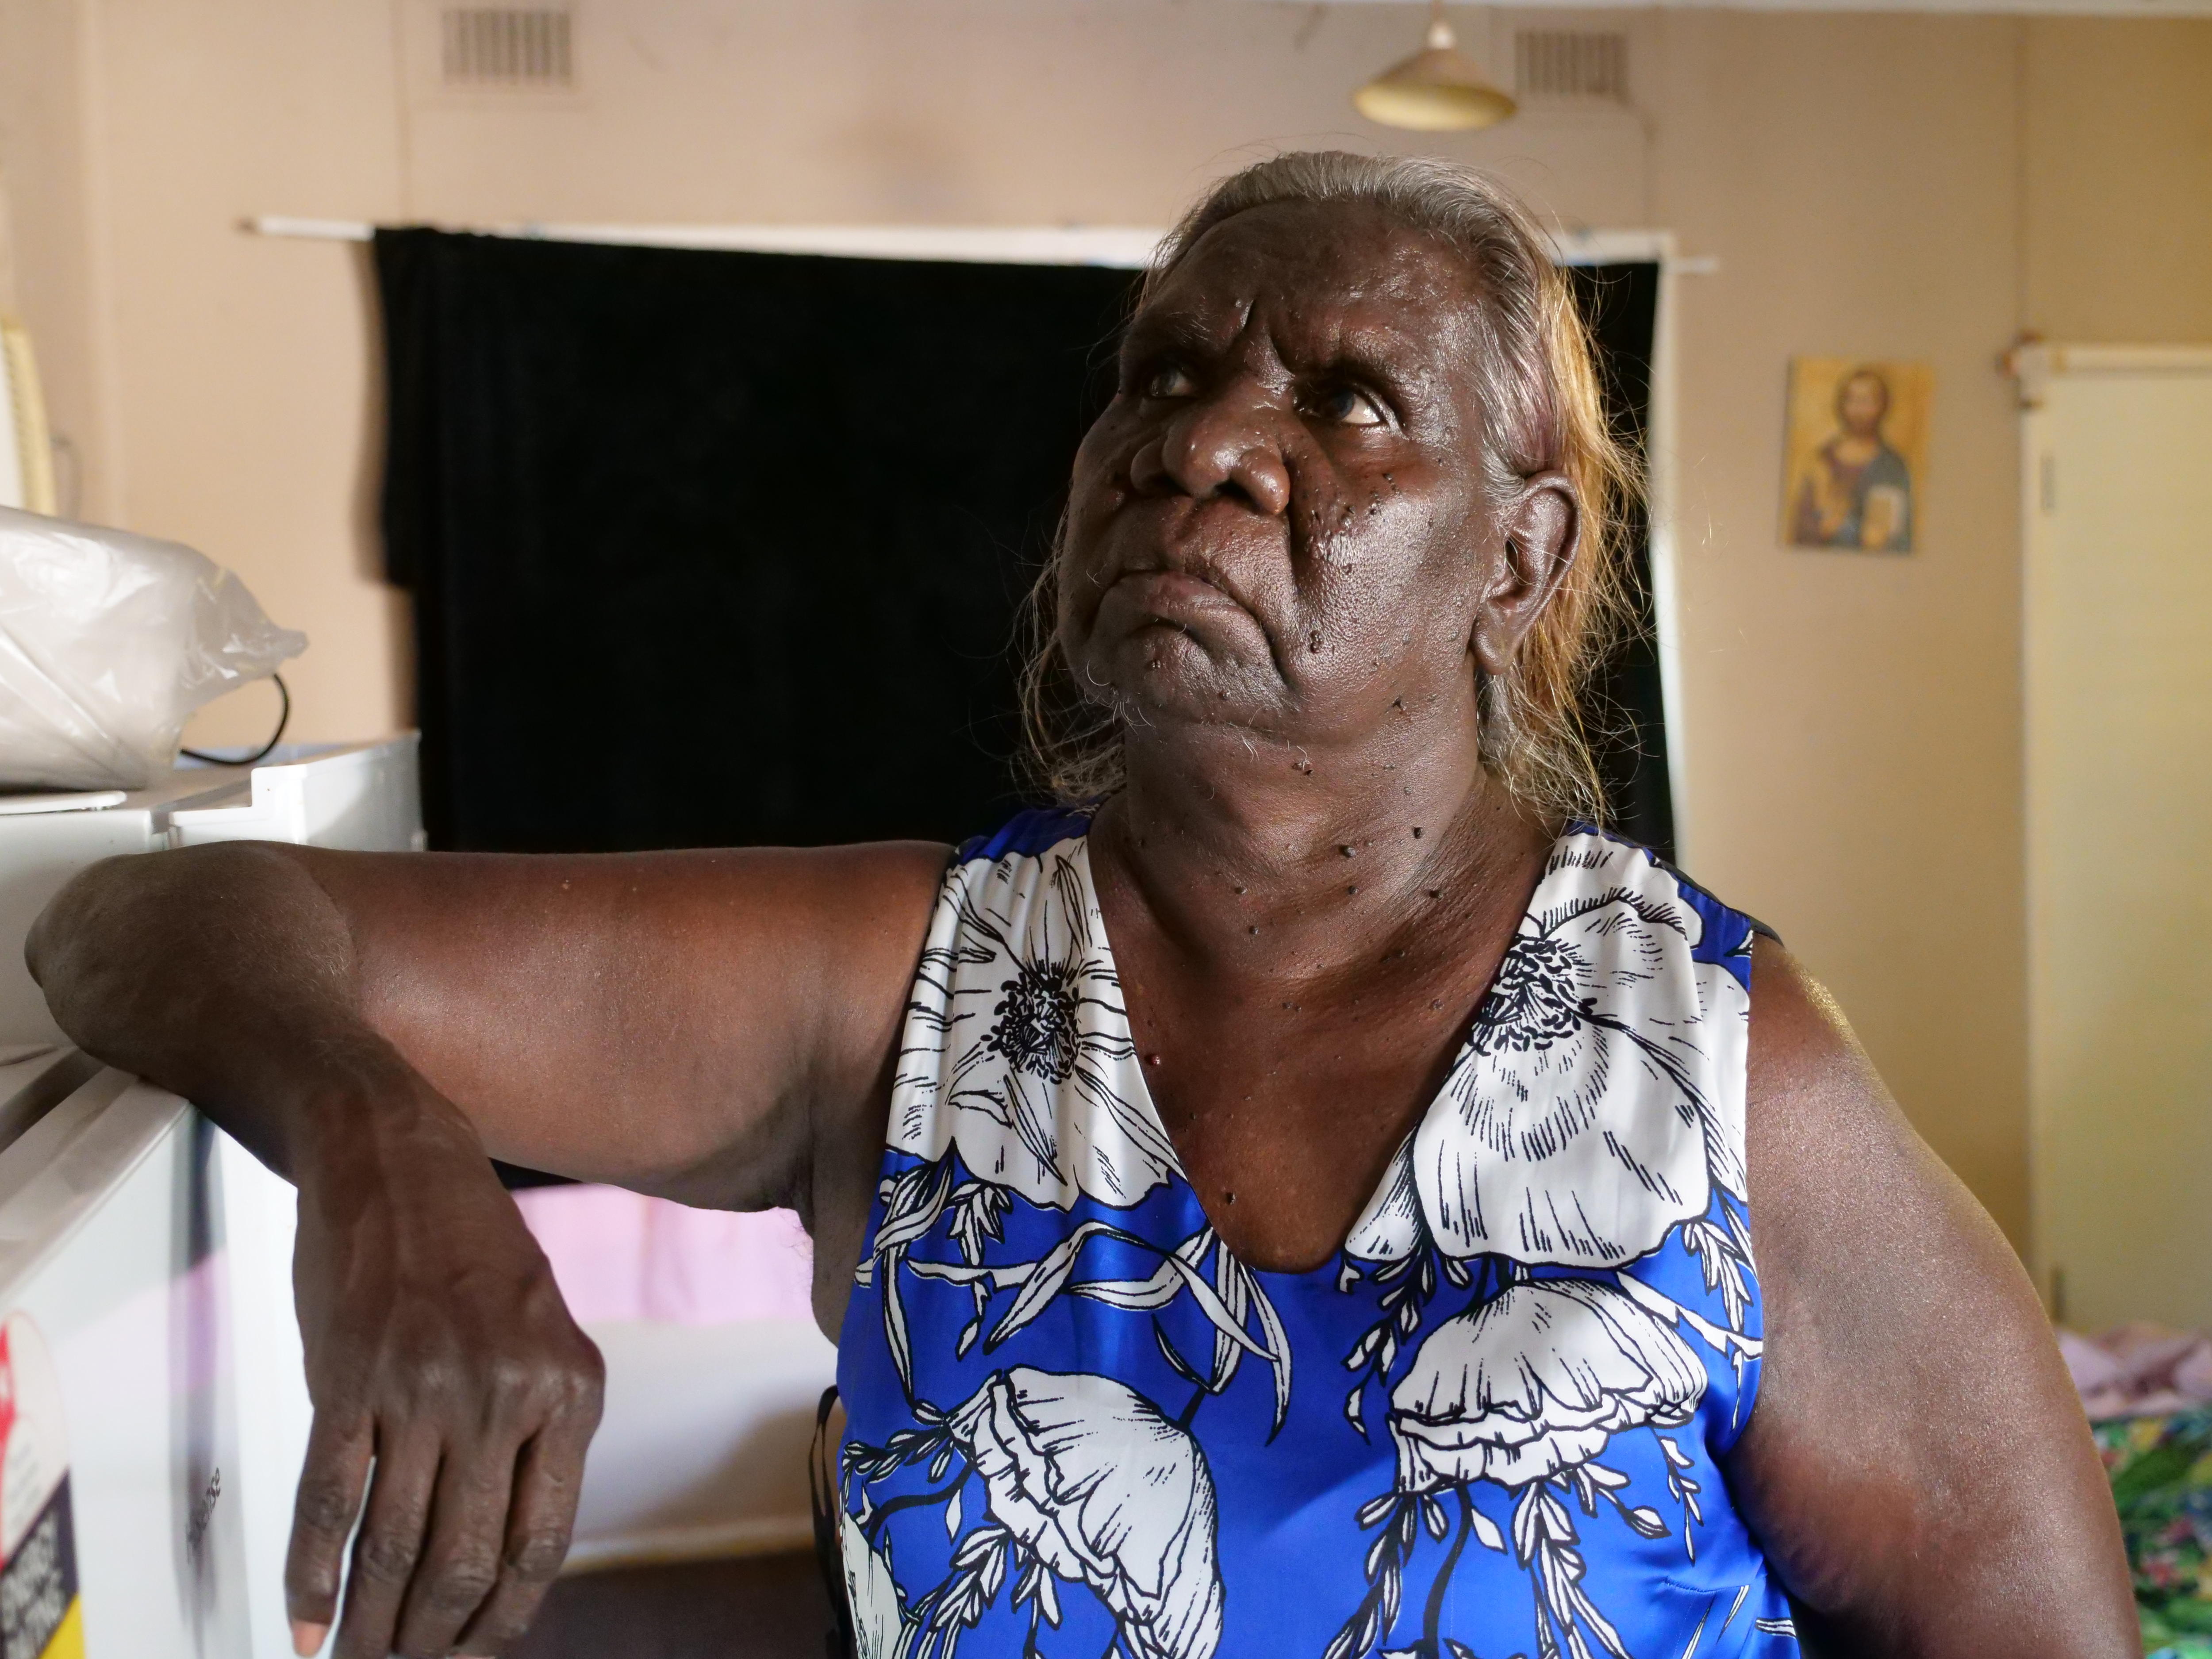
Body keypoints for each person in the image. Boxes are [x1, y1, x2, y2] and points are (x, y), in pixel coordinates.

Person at [30, 153, 2129, 1659]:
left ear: (1516, 560)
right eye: (1162, 375)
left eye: (1346, 401)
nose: (1206, 438)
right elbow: (139, 923)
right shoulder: (905, 987)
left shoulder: (1716, 1070)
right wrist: (392, 1158)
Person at [1788, 367, 1914, 551]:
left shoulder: (1893, 466)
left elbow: (1903, 539)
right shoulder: (1821, 460)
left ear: (1882, 406)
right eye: (1852, 400)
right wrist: (1822, 529)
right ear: (1841, 404)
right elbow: (1800, 533)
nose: (1858, 410)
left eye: (1867, 401)